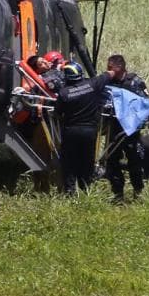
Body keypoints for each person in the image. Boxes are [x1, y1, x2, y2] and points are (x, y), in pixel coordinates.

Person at [55, 61, 108, 195]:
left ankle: (70, 192)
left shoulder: (64, 93)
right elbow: (107, 76)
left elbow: (57, 113)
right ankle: (86, 189)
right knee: (87, 160)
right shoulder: (93, 84)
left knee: (69, 162)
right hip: (90, 131)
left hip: (71, 131)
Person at [103, 54, 149, 203]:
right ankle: (118, 194)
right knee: (112, 162)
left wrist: (136, 125)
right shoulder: (108, 82)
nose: (108, 71)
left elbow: (144, 106)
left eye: (110, 68)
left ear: (119, 67)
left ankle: (138, 192)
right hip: (113, 128)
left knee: (135, 162)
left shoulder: (135, 82)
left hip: (131, 130)